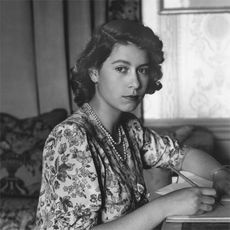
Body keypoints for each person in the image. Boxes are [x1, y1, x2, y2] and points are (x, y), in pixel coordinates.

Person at [36, 19, 230, 230]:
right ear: (94, 72)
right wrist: (165, 206)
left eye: (143, 70)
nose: (135, 83)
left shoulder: (129, 128)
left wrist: (219, 175)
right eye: (122, 69)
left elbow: (181, 155)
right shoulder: (71, 137)